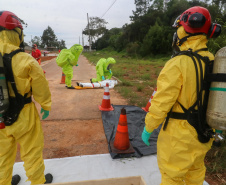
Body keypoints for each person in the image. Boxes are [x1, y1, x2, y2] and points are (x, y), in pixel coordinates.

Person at [141, 6, 221, 185]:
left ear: (184, 30)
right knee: (196, 170)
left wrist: (149, 127)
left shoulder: (177, 64)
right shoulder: (214, 60)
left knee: (172, 176)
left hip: (178, 136)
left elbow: (162, 101)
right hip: (204, 132)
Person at [0, 11, 52, 185]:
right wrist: (45, 105)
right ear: (16, 33)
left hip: (0, 117)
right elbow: (41, 87)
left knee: (1, 157)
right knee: (32, 152)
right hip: (24, 115)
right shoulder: (25, 59)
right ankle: (38, 181)